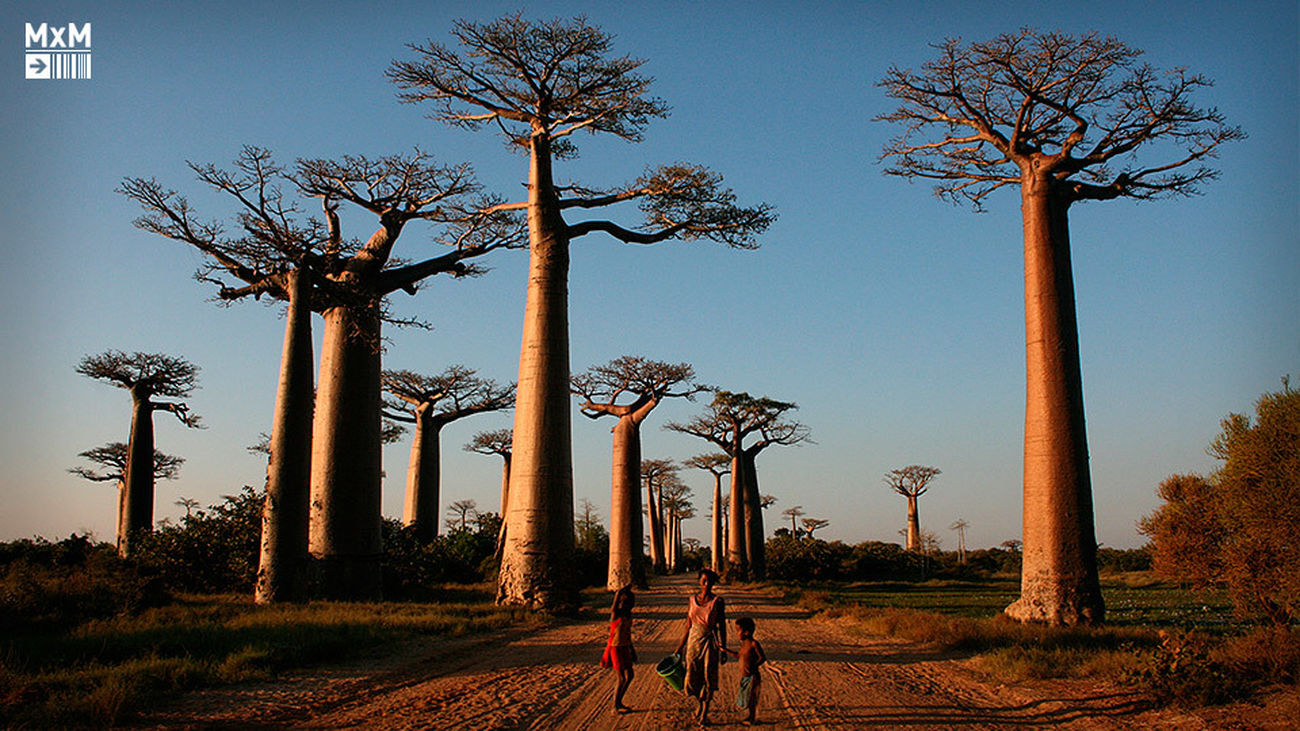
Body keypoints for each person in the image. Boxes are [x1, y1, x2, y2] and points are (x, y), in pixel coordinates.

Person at [675, 568, 727, 726]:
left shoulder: (718, 601)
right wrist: (680, 646)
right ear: (699, 581)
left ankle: (705, 711)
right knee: (692, 675)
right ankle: (700, 702)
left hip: (710, 642)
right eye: (704, 581)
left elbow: (722, 626)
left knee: (709, 676)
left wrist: (723, 648)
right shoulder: (692, 600)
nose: (706, 584)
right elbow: (688, 625)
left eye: (709, 581)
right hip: (693, 642)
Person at [600, 586, 637, 713]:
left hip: (625, 646)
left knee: (630, 675)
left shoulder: (628, 616)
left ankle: (619, 702)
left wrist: (632, 649)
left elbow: (627, 634)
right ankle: (615, 706)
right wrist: (618, 593)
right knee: (621, 678)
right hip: (615, 647)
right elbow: (613, 608)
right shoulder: (616, 615)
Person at [725, 616, 767, 725]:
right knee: (746, 697)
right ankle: (750, 716)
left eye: (738, 631)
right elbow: (738, 655)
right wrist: (725, 650)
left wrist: (754, 666)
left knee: (752, 698)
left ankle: (752, 718)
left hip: (753, 676)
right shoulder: (744, 644)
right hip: (746, 676)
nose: (737, 633)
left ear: (746, 632)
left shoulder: (754, 644)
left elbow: (762, 658)